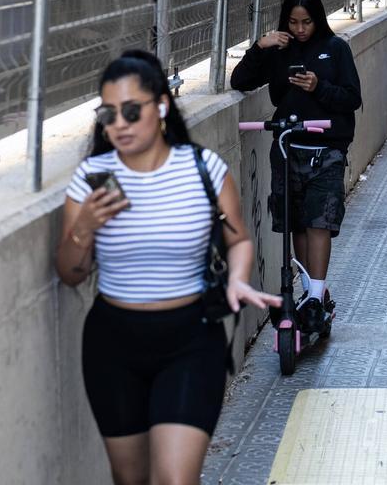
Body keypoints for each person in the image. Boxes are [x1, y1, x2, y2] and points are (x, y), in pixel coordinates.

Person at [56, 50, 280, 485]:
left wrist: (237, 278)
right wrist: (83, 227)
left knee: (176, 480)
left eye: (131, 111)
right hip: (113, 344)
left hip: (191, 341)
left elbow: (238, 240)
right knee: (130, 478)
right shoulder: (93, 178)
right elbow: (69, 273)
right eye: (109, 113)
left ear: (160, 106)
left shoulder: (203, 170)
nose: (118, 123)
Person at [230, 0, 362, 332]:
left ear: (318, 19)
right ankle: (311, 292)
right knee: (296, 223)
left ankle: (316, 296)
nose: (300, 29)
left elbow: (351, 98)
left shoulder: (335, 49)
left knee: (320, 222)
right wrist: (260, 47)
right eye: (293, 22)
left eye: (307, 22)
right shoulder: (279, 50)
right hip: (288, 149)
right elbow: (240, 80)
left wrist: (318, 86)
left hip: (327, 151)